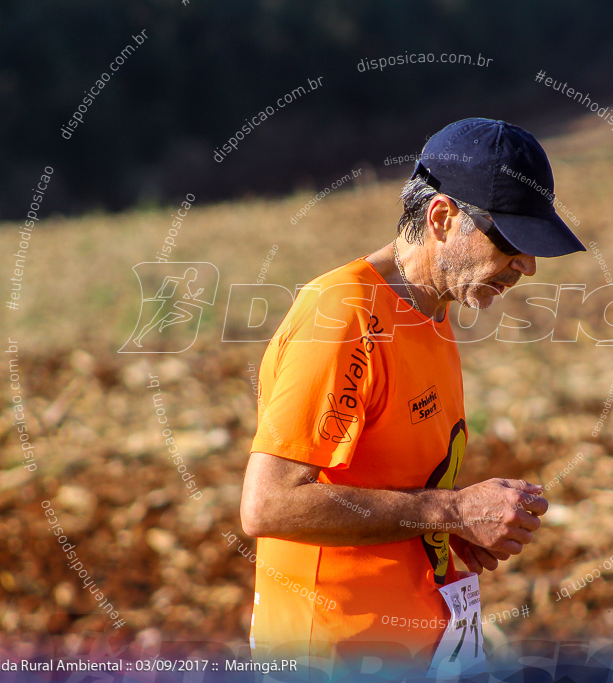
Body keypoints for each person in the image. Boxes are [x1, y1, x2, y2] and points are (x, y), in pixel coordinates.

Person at [239, 118, 586, 678]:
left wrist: (447, 530)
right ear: (443, 218)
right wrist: (450, 510)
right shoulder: (345, 315)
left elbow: (389, 482)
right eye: (511, 242)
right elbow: (269, 504)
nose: (527, 265)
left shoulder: (429, 309)